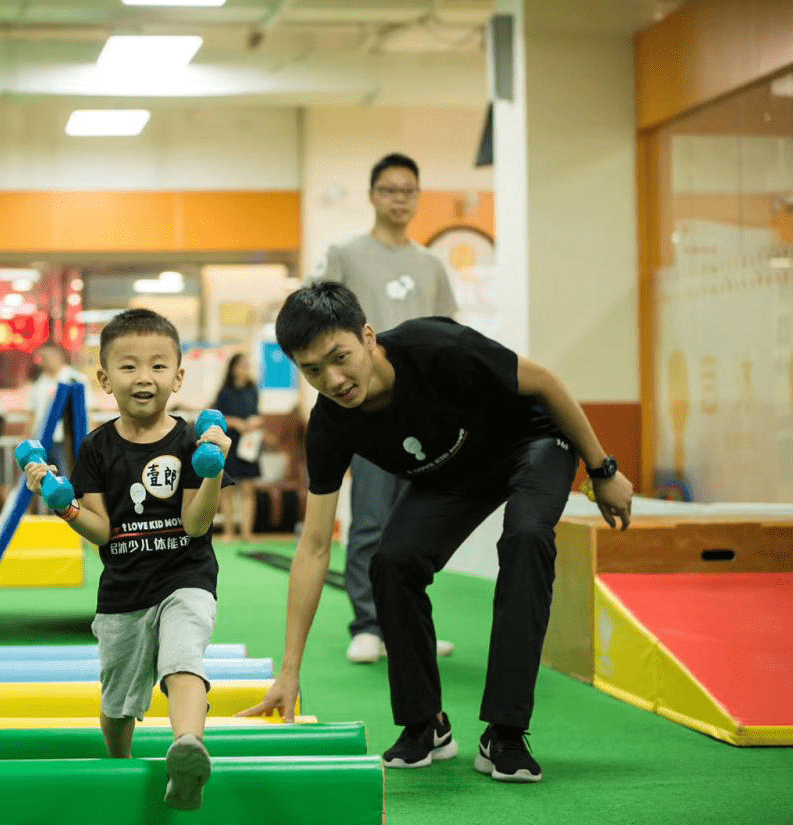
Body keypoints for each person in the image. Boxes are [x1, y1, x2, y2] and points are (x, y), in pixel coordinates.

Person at [240, 282, 633, 783]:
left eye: (340, 357)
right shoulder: (331, 424)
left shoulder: (434, 347)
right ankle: (425, 725)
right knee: (391, 563)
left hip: (530, 441)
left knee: (526, 538)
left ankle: (505, 733)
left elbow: (547, 384)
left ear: (367, 337)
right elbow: (315, 547)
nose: (334, 379)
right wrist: (289, 669)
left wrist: (602, 471)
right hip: (454, 473)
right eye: (313, 370)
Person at [22, 308, 231, 812]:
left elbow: (196, 524)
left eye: (159, 366)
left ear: (178, 377)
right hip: (123, 591)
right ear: (105, 379)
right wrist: (65, 506)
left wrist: (213, 471)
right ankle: (119, 762)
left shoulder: (191, 442)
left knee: (184, 658)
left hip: (186, 577)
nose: (145, 378)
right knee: (118, 699)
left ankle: (188, 747)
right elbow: (102, 530)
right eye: (129, 366)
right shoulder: (96, 447)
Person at [311, 152, 460, 665]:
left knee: (418, 521)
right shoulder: (345, 254)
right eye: (390, 190)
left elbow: (448, 338)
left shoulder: (431, 265)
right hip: (365, 407)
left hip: (423, 412)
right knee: (371, 520)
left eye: (408, 191)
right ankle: (369, 622)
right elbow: (320, 325)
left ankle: (410, 622)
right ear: (373, 194)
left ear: (418, 198)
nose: (400, 199)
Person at [213, 352, 264, 542]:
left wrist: (255, 421)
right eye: (242, 365)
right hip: (230, 444)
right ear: (233, 369)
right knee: (227, 490)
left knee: (248, 490)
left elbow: (258, 415)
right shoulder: (224, 392)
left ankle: (247, 533)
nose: (246, 368)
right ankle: (229, 532)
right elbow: (220, 418)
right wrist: (235, 423)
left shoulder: (253, 390)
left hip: (249, 445)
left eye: (247, 365)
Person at [27, 343, 89, 479]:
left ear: (59, 356)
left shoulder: (75, 379)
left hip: (67, 439)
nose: (44, 361)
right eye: (41, 357)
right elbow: (32, 414)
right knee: (43, 481)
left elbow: (88, 411)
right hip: (41, 440)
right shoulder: (38, 382)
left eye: (47, 356)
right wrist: (28, 438)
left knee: (69, 477)